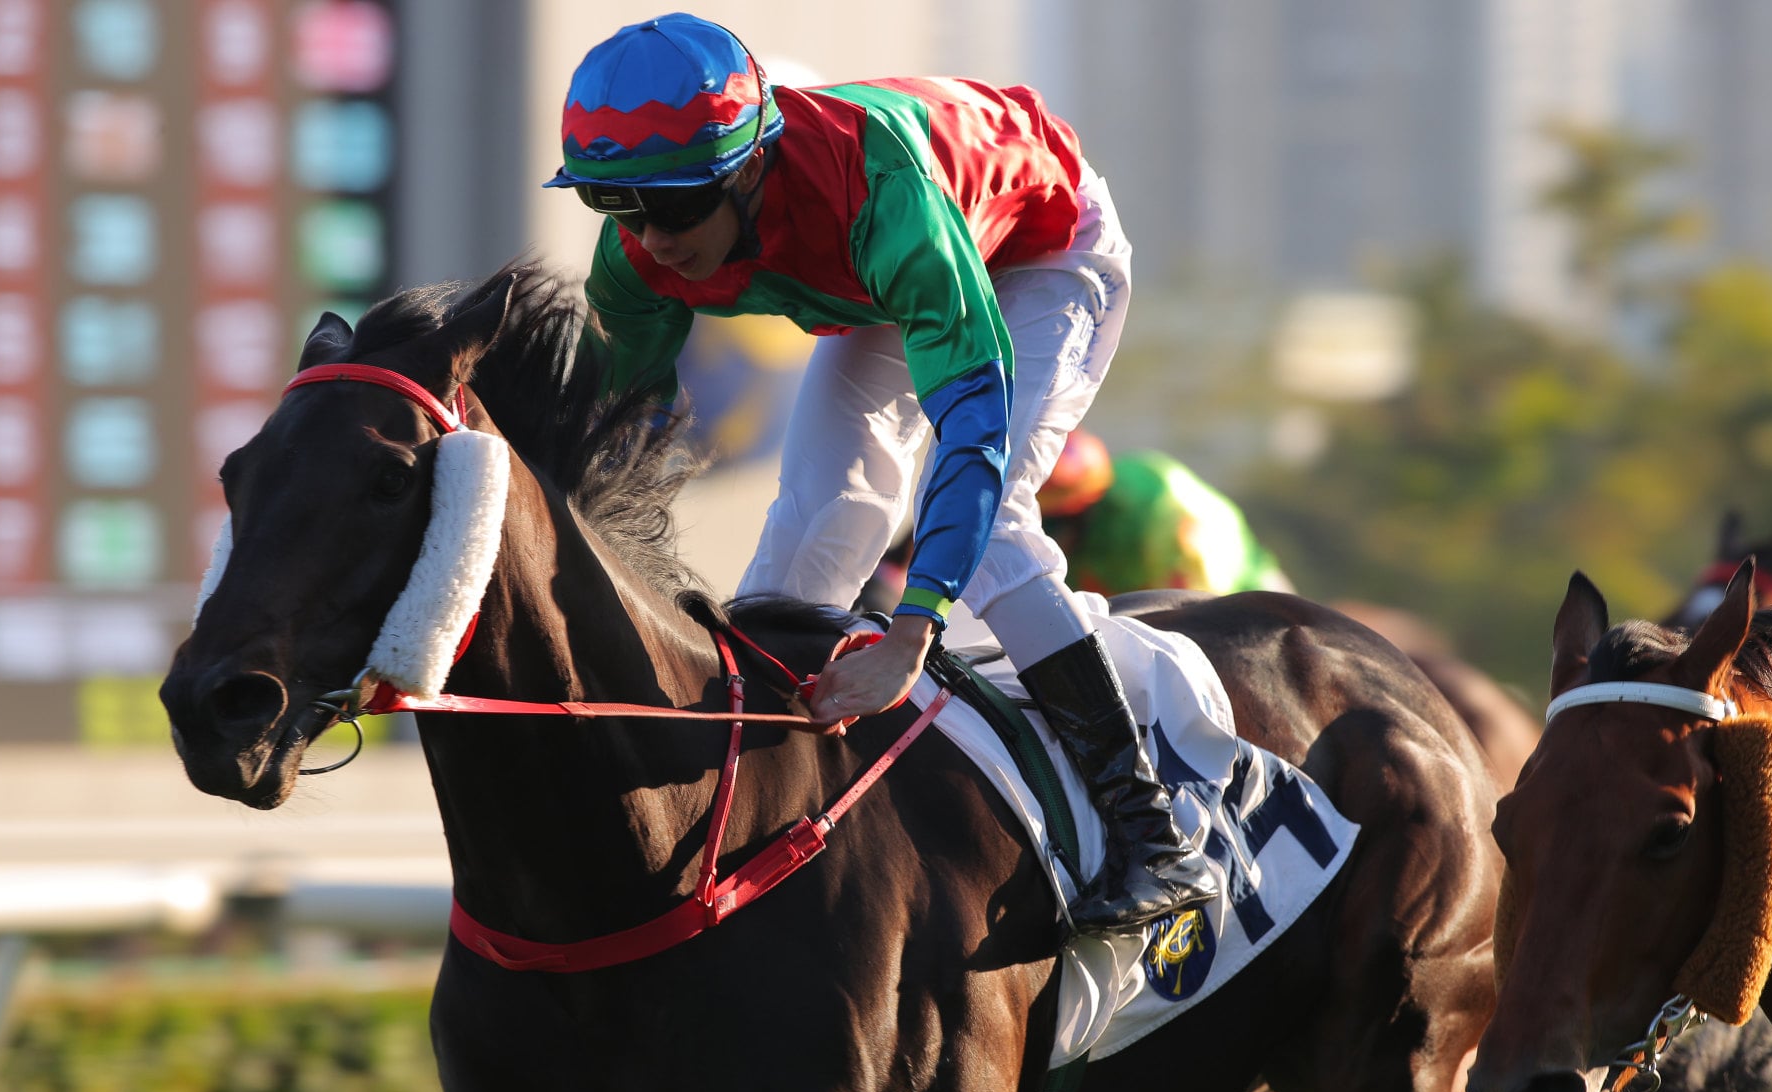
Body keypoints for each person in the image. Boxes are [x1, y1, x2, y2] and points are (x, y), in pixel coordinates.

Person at [547, 13, 1217, 935]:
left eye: (671, 203)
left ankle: (1155, 831)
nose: (649, 238)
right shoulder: (639, 245)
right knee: (797, 556)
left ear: (746, 166)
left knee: (991, 536)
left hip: (1038, 250)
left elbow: (972, 438)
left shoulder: (880, 199)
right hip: (879, 280)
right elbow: (598, 448)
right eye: (613, 204)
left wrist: (909, 637)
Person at [1035, 429, 1294, 597]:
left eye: (1050, 524)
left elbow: (1188, 604)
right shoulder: (1133, 472)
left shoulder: (1137, 523)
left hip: (1237, 591)